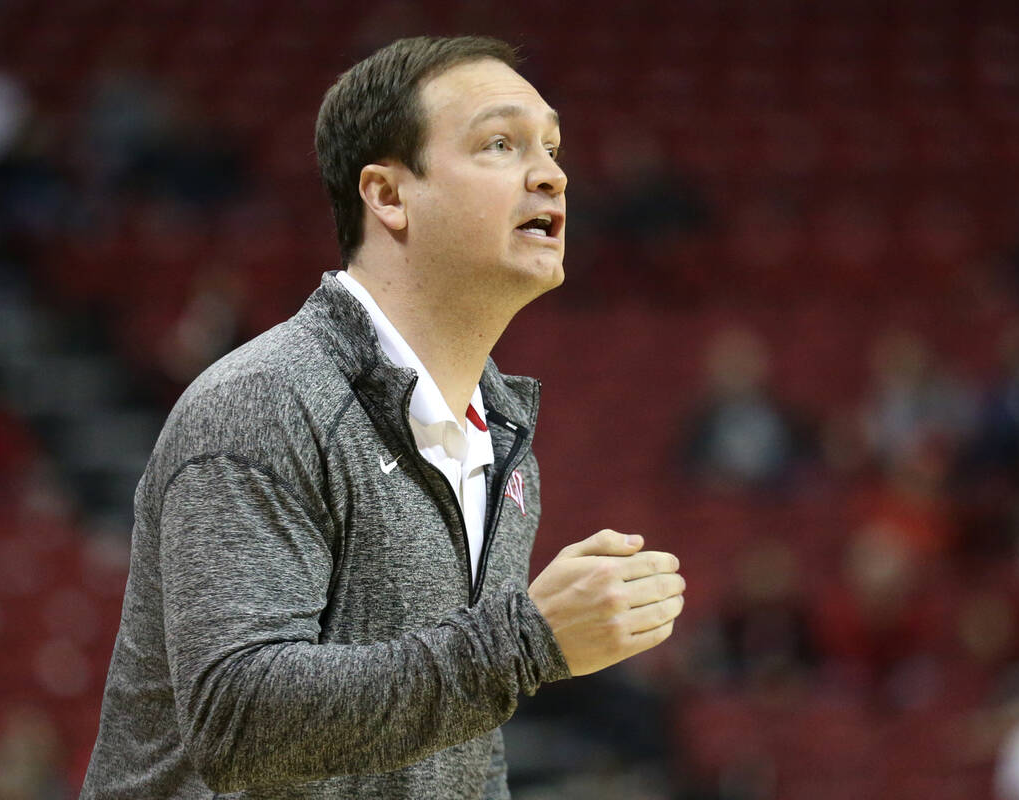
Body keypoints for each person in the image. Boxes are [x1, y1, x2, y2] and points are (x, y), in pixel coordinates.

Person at [80, 36, 685, 798]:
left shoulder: (502, 436)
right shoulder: (266, 401)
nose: (551, 174)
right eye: (501, 144)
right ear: (388, 196)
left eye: (553, 147)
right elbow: (235, 723)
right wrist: (525, 641)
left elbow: (456, 749)